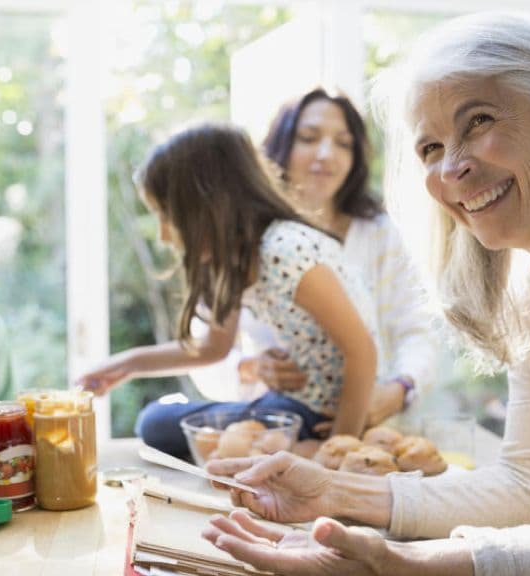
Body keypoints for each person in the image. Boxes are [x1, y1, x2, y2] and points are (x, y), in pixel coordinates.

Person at [202, 12, 530, 575]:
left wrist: (408, 562)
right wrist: (334, 493)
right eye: (430, 148)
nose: (452, 168)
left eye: (478, 120)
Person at [78, 122, 381, 458]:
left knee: (156, 423)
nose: (164, 236)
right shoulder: (239, 259)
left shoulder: (285, 250)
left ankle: (304, 449)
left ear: (208, 206)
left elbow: (362, 352)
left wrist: (338, 448)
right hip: (294, 407)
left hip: (318, 414)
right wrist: (127, 364)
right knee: (159, 421)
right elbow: (212, 349)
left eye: (167, 216)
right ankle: (290, 448)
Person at [236, 87, 437, 431]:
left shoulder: (379, 233)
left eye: (344, 143)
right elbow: (213, 343)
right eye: (309, 138)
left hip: (375, 431)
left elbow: (416, 330)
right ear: (280, 146)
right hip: (280, 427)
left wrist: (399, 389)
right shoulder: (249, 238)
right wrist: (253, 366)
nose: (327, 154)